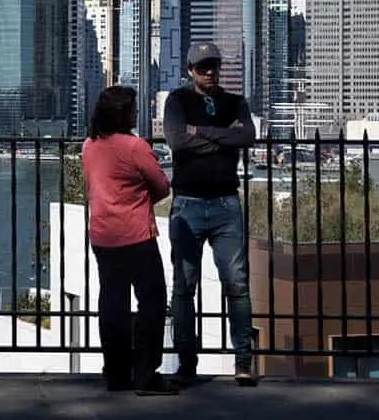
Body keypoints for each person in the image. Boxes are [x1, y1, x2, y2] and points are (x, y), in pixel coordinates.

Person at [163, 42, 258, 387]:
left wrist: (200, 131)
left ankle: (244, 362)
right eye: (202, 66)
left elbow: (247, 135)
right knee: (184, 287)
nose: (209, 71)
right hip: (187, 204)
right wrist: (224, 137)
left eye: (214, 65)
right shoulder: (177, 100)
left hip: (225, 205)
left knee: (238, 284)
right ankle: (187, 363)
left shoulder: (236, 102)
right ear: (189, 69)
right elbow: (176, 141)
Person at [81, 85, 178, 396]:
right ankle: (146, 373)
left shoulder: (90, 145)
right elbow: (162, 186)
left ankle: (116, 371)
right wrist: (141, 197)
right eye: (134, 108)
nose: (138, 112)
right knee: (151, 301)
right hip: (135, 234)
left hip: (102, 234)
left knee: (112, 302)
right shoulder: (135, 147)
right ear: (124, 114)